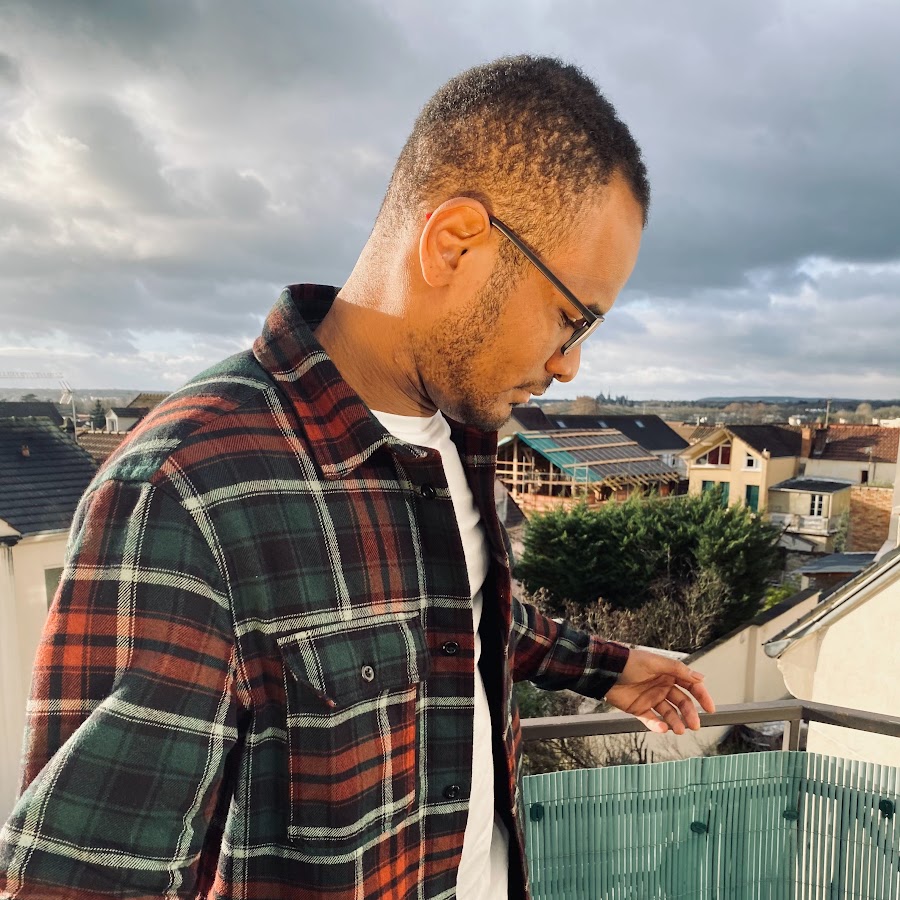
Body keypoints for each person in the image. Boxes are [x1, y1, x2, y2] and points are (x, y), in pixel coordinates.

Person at [0, 55, 714, 900]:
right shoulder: (190, 491)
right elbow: (84, 877)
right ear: (455, 243)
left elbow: (446, 615)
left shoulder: (461, 438)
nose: (569, 365)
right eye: (572, 316)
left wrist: (606, 667)